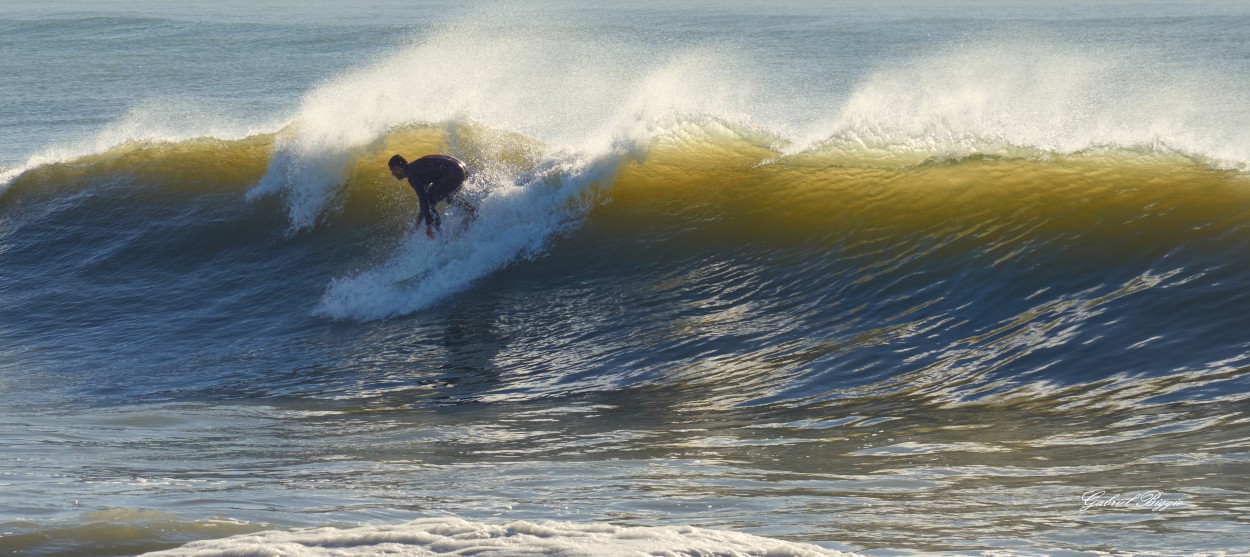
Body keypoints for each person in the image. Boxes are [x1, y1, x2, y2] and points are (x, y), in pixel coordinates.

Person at [388, 154, 476, 239]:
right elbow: (425, 200)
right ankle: (473, 212)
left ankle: (442, 237)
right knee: (446, 197)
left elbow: (423, 200)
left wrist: (428, 224)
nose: (392, 174)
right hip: (461, 168)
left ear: (398, 168)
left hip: (454, 172)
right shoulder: (415, 168)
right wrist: (418, 223)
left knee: (430, 202)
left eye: (393, 170)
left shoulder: (412, 174)